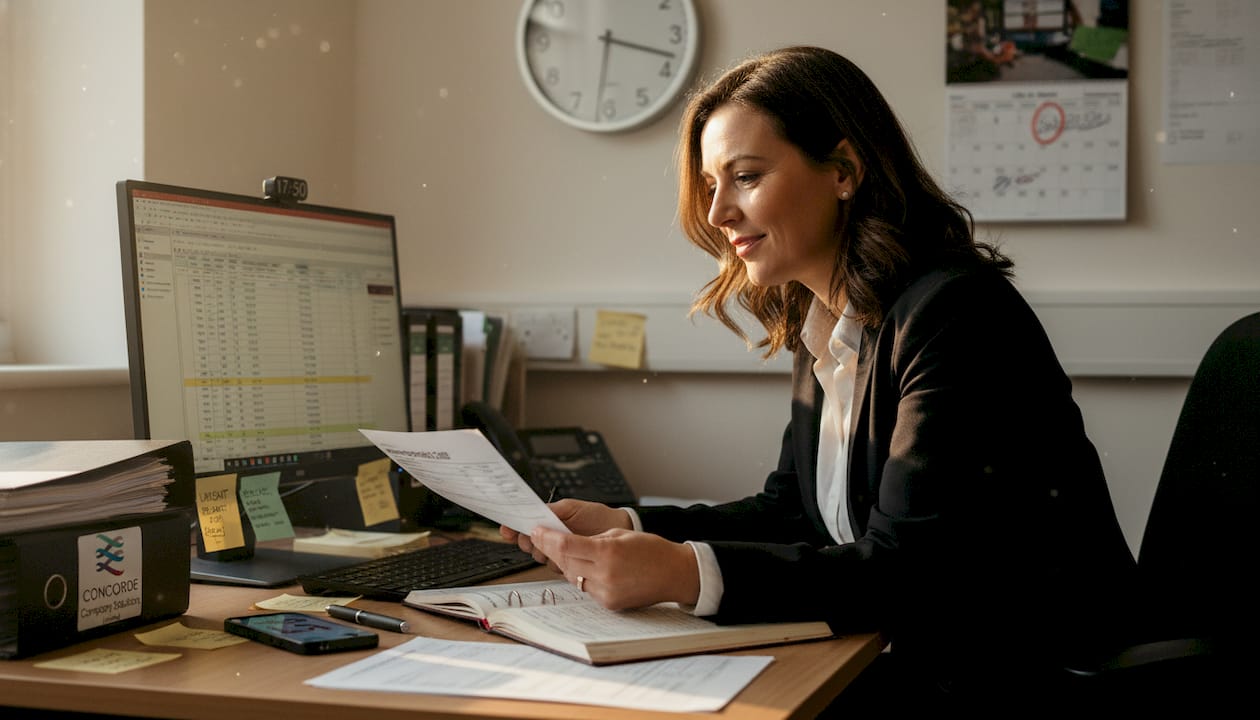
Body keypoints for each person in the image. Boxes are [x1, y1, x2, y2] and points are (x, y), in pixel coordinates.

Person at [503, 46, 1137, 707]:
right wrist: (628, 522)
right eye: (712, 185)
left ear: (843, 171)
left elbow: (905, 570)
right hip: (923, 664)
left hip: (1018, 682)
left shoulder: (956, 314)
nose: (718, 214)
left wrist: (686, 574)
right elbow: (794, 512)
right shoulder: (829, 325)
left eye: (745, 177)